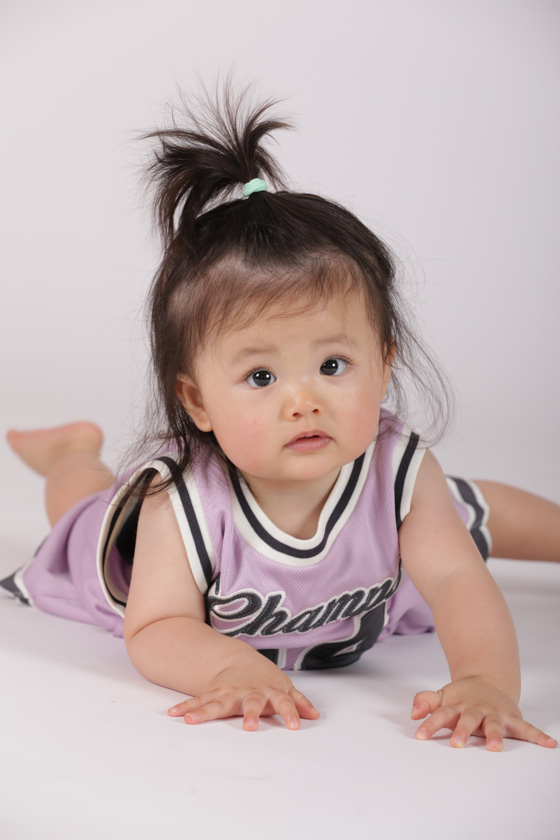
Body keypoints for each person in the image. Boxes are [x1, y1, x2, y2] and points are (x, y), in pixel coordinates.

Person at [3, 87, 559, 750]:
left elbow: (455, 576)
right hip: (141, 557)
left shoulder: (394, 466)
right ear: (197, 401)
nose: (303, 402)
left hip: (372, 577)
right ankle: (70, 452)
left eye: (333, 365)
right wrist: (230, 667)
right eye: (261, 377)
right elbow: (156, 626)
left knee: (463, 515)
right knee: (82, 507)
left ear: (384, 364)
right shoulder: (180, 501)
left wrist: (485, 682)